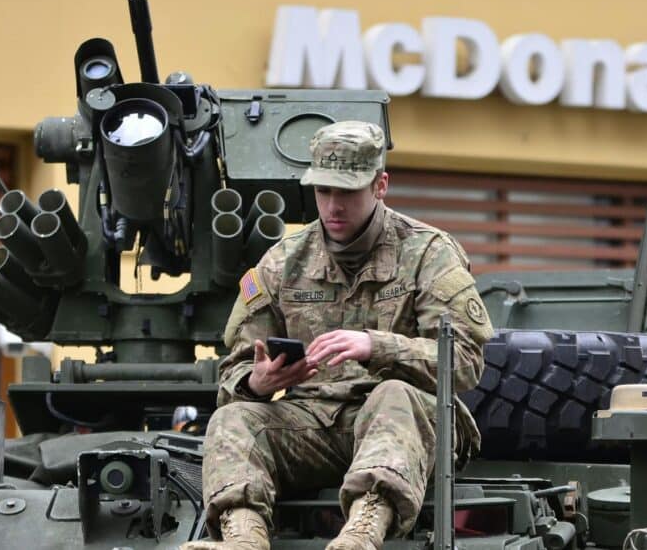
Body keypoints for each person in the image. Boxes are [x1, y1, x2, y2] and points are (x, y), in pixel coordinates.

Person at [184, 120, 494, 550]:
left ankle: (365, 528)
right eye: (323, 191)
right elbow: (235, 371)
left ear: (380, 184)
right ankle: (243, 535)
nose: (333, 206)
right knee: (232, 419)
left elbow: (466, 361)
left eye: (347, 191)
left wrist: (378, 346)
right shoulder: (282, 263)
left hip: (412, 428)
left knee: (394, 395)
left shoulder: (428, 253)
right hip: (314, 426)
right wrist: (258, 383)